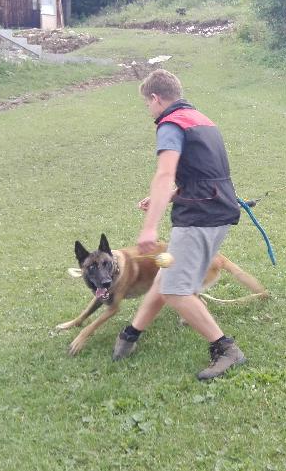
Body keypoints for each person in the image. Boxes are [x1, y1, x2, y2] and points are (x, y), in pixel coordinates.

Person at [112, 69, 245, 380]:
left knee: (174, 289)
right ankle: (131, 334)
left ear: (156, 98)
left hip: (200, 216)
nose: (149, 110)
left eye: (147, 104)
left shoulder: (171, 124)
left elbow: (165, 173)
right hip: (217, 208)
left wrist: (149, 227)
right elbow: (202, 172)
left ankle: (226, 349)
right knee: (165, 276)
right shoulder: (200, 119)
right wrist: (169, 196)